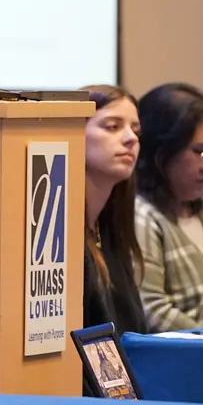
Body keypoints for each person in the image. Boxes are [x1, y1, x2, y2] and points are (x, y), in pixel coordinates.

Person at [134, 83, 203, 331]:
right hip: (191, 358)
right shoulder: (143, 216)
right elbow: (153, 312)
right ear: (161, 153)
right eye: (199, 151)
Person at [81, 86, 147, 336]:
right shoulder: (62, 237)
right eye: (112, 127)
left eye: (136, 130)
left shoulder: (111, 230)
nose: (131, 138)